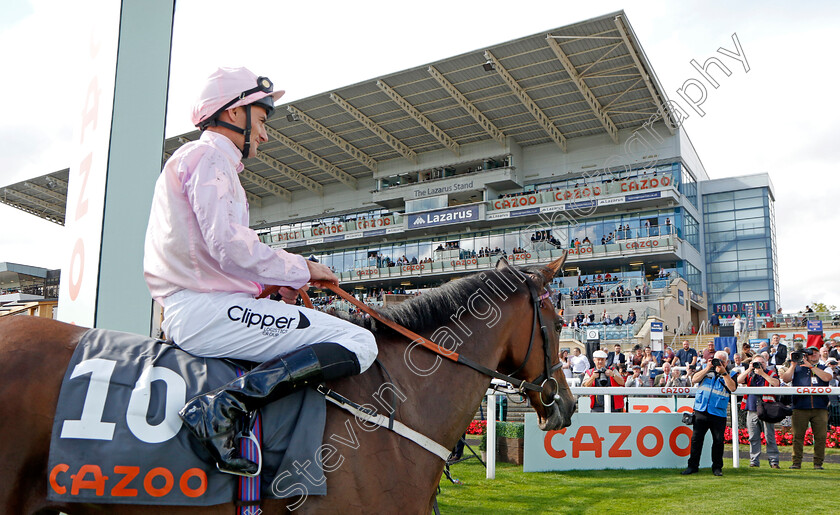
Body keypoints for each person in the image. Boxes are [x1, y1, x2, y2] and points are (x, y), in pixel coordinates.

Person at [144, 67, 378, 475]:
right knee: (360, 343)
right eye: (263, 120)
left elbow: (213, 256)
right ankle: (221, 408)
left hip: (204, 305)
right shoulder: (209, 157)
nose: (266, 135)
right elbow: (229, 245)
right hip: (203, 310)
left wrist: (272, 284)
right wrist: (303, 269)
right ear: (235, 113)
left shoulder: (205, 160)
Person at [681, 351, 737, 476]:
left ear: (727, 362)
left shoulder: (731, 374)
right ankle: (692, 466)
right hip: (701, 410)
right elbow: (694, 379)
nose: (719, 363)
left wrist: (724, 372)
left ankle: (717, 468)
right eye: (717, 360)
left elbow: (732, 388)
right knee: (696, 440)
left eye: (722, 361)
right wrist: (707, 367)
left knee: (718, 441)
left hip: (718, 413)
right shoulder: (706, 370)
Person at [779, 347, 833, 469]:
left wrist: (811, 367)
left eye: (815, 353)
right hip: (800, 407)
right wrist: (793, 365)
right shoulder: (797, 368)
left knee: (820, 437)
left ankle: (818, 463)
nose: (813, 355)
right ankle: (796, 462)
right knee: (798, 436)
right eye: (810, 353)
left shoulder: (825, 367)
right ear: (805, 356)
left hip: (820, 407)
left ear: (819, 355)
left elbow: (827, 378)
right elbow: (786, 379)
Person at [737, 356, 781, 468]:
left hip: (767, 409)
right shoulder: (750, 374)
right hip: (752, 409)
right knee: (753, 437)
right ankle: (754, 461)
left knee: (769, 436)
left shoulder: (770, 373)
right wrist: (749, 369)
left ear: (766, 363)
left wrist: (762, 373)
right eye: (757, 363)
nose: (760, 365)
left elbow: (776, 383)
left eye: (762, 363)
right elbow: (738, 380)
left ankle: (774, 461)